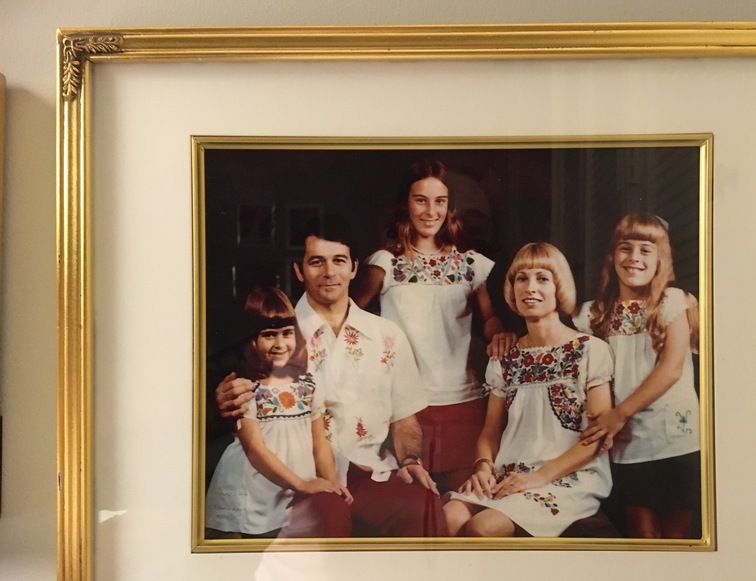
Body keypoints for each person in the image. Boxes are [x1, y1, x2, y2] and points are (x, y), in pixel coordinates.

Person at [216, 225, 448, 538]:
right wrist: (222, 398)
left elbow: (405, 418)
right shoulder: (277, 333)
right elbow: (236, 393)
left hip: (368, 472)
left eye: (339, 261)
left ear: (354, 268)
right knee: (328, 517)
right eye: (316, 262)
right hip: (294, 477)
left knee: (425, 509)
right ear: (299, 271)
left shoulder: (387, 335)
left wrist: (409, 459)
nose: (329, 272)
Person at [354, 160, 511, 493]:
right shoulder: (385, 263)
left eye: (439, 201)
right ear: (405, 205)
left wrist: (500, 335)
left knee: (461, 507)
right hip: (406, 406)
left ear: (450, 207)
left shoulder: (472, 265)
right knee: (418, 510)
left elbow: (490, 319)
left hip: (464, 404)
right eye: (420, 200)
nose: (430, 210)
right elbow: (347, 318)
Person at [444, 242, 615, 537]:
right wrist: (483, 466)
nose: (529, 287)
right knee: (448, 516)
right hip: (510, 473)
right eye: (521, 278)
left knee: (482, 528)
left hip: (567, 478)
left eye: (542, 278)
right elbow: (490, 431)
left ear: (558, 288)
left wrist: (536, 478)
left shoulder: (591, 351)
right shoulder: (505, 357)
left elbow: (597, 439)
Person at [575, 213, 701, 539]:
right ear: (612, 255)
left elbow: (671, 369)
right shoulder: (596, 313)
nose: (634, 259)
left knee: (678, 535)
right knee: (641, 534)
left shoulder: (673, 301)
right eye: (625, 248)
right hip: (628, 444)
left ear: (661, 258)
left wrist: (619, 413)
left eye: (646, 250)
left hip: (675, 438)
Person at [205, 287, 352, 539]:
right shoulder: (246, 388)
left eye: (287, 334)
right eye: (269, 335)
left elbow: (320, 442)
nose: (280, 344)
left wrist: (331, 482)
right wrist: (301, 484)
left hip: (295, 485)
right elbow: (256, 450)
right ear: (251, 340)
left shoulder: (308, 384)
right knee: (258, 547)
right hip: (257, 487)